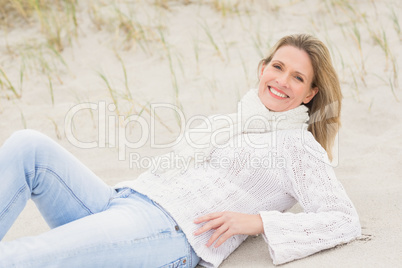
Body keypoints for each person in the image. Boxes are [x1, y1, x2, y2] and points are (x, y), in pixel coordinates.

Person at [0, 34, 361, 267]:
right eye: (278, 67)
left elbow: (343, 219)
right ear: (263, 68)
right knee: (28, 146)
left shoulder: (298, 147)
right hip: (124, 200)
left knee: (26, 256)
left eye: (298, 77)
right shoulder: (234, 120)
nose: (282, 80)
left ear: (311, 93)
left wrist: (259, 222)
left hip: (167, 230)